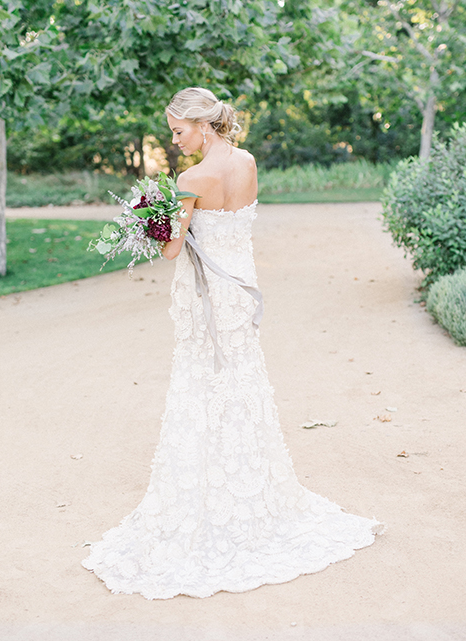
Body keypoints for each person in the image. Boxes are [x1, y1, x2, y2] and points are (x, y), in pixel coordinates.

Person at [82, 87, 382, 599]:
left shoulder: (191, 178)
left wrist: (148, 221)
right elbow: (236, 228)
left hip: (204, 297)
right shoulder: (246, 162)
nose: (174, 142)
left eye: (178, 131)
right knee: (242, 383)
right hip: (239, 287)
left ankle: (207, 496)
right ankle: (256, 492)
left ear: (202, 125)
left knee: (201, 382)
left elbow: (175, 250)